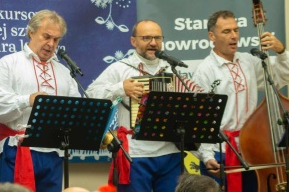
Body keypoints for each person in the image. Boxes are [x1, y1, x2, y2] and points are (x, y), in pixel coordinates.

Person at [86, 20, 203, 192]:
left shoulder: (171, 69)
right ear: (134, 41)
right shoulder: (120, 68)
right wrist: (121, 88)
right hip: (136, 154)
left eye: (157, 38)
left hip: (170, 153)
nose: (153, 43)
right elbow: (90, 94)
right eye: (146, 38)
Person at [191, 10, 289, 191]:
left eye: (236, 30)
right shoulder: (205, 71)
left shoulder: (249, 61)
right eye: (226, 32)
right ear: (212, 36)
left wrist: (281, 51)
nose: (234, 36)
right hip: (221, 151)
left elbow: (284, 76)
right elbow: (201, 120)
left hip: (251, 149)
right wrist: (207, 157)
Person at [0, 9, 80, 192]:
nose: (51, 44)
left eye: (56, 39)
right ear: (31, 32)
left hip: (53, 153)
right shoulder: (9, 63)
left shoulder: (64, 72)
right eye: (46, 36)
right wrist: (27, 100)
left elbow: (75, 109)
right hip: (18, 149)